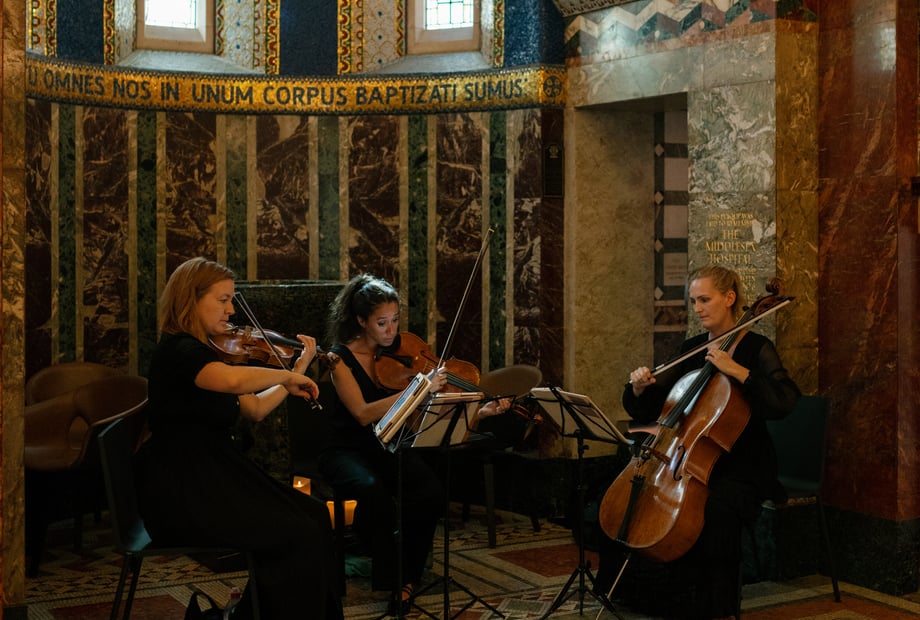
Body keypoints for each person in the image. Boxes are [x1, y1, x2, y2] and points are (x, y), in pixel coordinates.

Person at [134, 257, 343, 620]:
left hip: (214, 472)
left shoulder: (207, 352)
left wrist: (296, 371)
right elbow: (231, 381)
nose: (231, 310)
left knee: (314, 515)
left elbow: (255, 409)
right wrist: (285, 376)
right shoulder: (179, 351)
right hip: (182, 488)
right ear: (191, 299)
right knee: (296, 532)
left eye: (231, 300)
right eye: (223, 300)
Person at [597, 264, 801, 619]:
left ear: (729, 298)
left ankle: (713, 605)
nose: (698, 308)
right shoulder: (693, 348)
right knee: (630, 493)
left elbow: (785, 401)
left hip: (741, 464)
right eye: (694, 301)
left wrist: (737, 371)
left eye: (705, 299)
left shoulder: (756, 348)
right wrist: (640, 387)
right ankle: (641, 591)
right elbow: (658, 406)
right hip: (688, 459)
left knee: (718, 509)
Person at [318, 273, 509, 616]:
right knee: (373, 490)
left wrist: (479, 411)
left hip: (387, 446)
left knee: (429, 491)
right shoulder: (339, 359)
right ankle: (390, 576)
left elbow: (423, 417)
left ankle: (407, 579)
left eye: (395, 321)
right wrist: (417, 390)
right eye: (382, 323)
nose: (391, 331)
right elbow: (362, 413)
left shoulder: (401, 358)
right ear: (361, 321)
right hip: (346, 450)